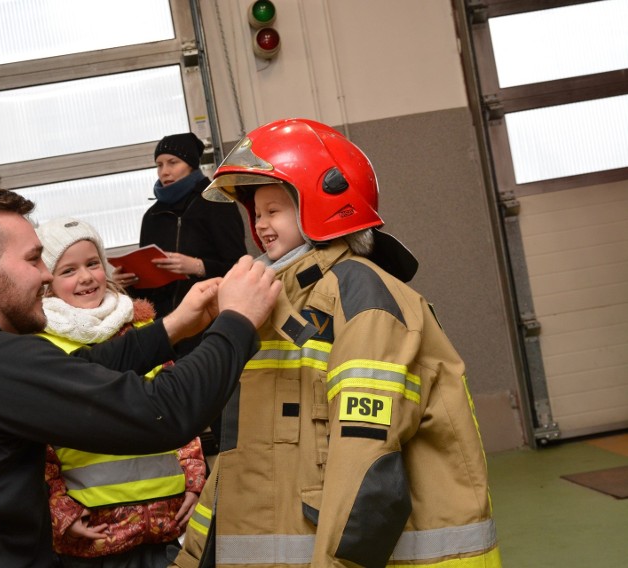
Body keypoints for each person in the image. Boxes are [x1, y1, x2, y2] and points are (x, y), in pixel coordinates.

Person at [0, 186, 281, 568]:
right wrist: (238, 321)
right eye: (33, 259)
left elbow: (79, 370)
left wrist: (171, 328)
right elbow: (160, 411)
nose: (47, 274)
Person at [172, 119, 501, 568]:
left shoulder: (361, 299)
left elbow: (367, 464)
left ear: (323, 202)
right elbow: (240, 459)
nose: (262, 226)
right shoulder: (276, 301)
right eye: (257, 213)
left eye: (275, 210)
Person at [36, 217, 206, 567]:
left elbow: (175, 400)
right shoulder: (42, 346)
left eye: (92, 263)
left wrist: (192, 476)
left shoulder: (144, 329)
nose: (85, 277)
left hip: (166, 520)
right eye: (67, 270)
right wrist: (60, 510)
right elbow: (38, 444)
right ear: (47, 284)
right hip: (94, 531)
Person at [113, 133, 247, 356]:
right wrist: (127, 281)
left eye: (173, 162)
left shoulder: (217, 204)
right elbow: (148, 281)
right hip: (165, 329)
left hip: (209, 325)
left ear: (191, 165)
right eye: (159, 165)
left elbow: (239, 266)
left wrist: (197, 266)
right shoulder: (152, 216)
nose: (164, 171)